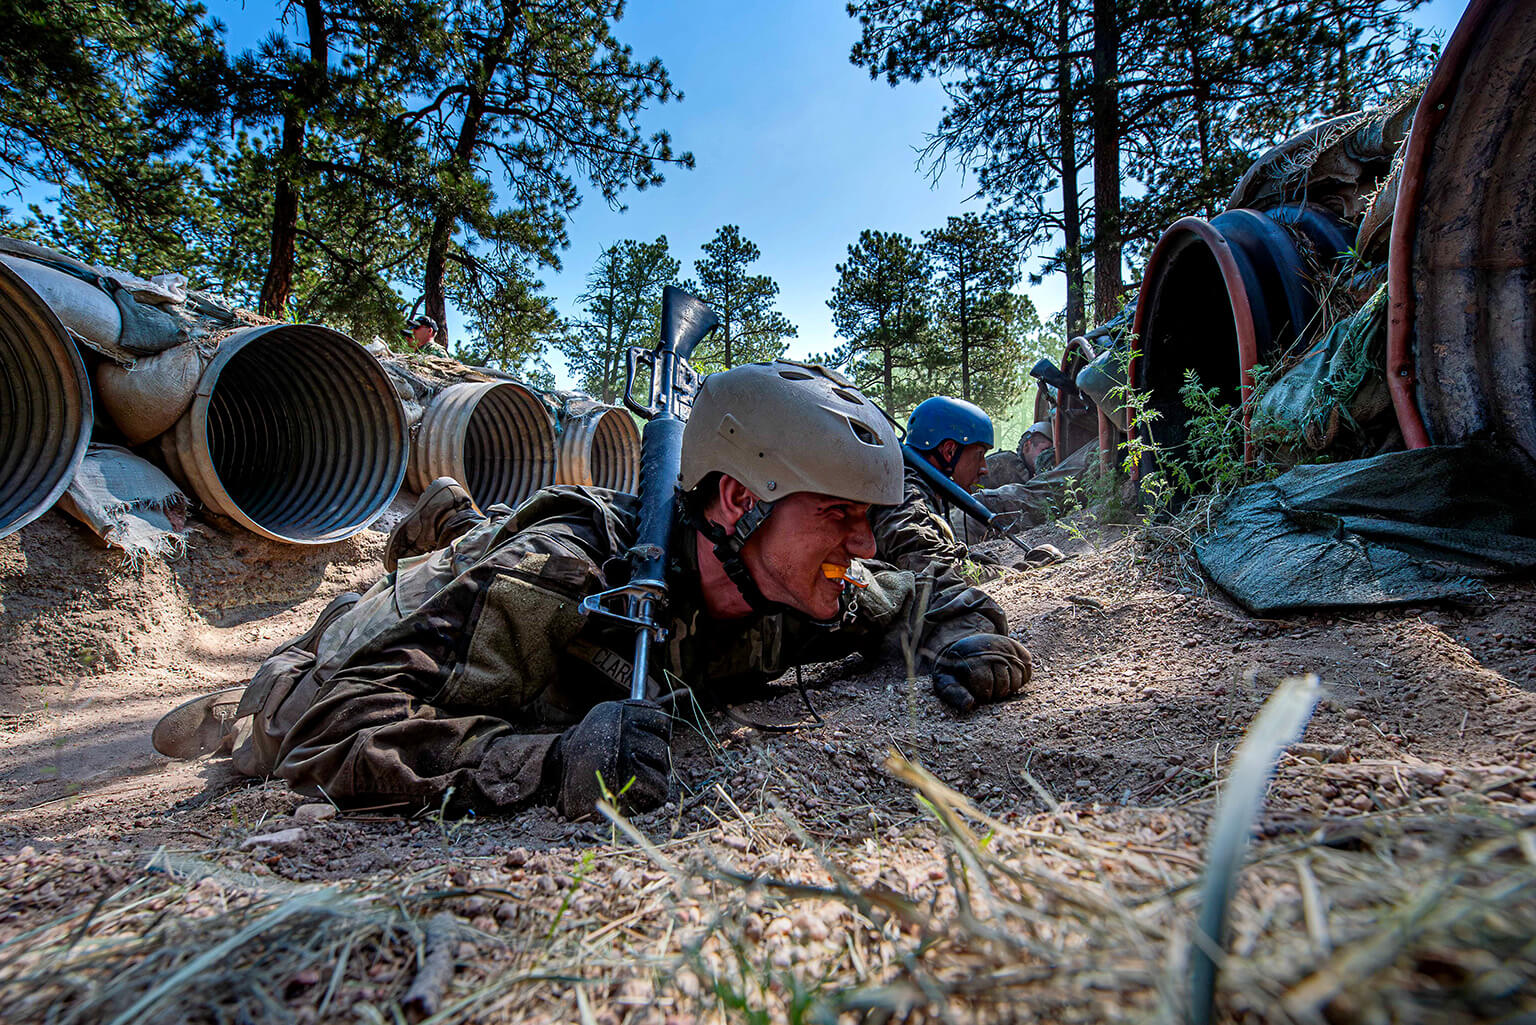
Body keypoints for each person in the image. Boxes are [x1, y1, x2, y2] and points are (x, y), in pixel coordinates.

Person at [153, 362, 1032, 820]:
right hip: (336, 673)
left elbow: (918, 594)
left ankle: (451, 523)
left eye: (867, 517)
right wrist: (548, 761)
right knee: (290, 694)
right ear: (738, 500)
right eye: (840, 513)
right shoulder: (555, 580)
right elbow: (333, 727)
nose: (862, 542)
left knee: (476, 548)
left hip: (501, 616)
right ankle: (237, 696)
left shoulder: (793, 582)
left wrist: (972, 640)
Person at [874, 395, 1019, 579]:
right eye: (979, 455)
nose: (984, 468)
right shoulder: (907, 493)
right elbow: (933, 572)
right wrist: (1019, 572)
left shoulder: (912, 484)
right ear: (949, 451)